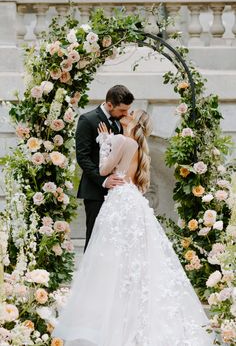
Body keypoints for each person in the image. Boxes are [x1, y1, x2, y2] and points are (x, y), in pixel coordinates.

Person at [53, 110, 215, 346]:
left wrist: (105, 141)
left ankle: (115, 316)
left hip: (119, 200)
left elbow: (103, 169)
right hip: (134, 201)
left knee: (112, 258)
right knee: (136, 258)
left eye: (129, 113)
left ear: (132, 121)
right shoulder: (140, 147)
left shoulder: (122, 140)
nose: (125, 114)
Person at [76, 84, 134, 251]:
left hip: (115, 193)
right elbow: (83, 157)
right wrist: (103, 180)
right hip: (95, 191)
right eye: (122, 110)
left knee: (113, 241)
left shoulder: (119, 123)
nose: (126, 114)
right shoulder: (87, 120)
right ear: (109, 105)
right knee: (95, 238)